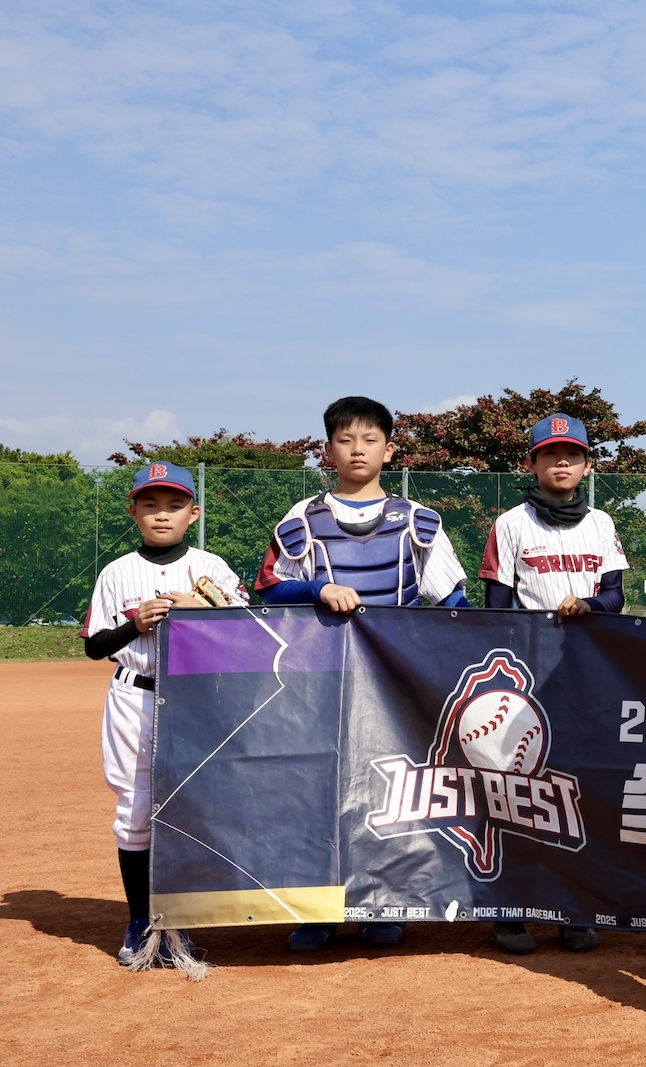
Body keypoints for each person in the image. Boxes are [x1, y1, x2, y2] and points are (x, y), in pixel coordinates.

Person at [256, 395, 469, 952]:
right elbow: (270, 588)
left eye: (370, 440)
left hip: (394, 683)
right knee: (318, 793)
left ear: (388, 450)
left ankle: (383, 903)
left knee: (390, 792)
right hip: (321, 680)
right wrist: (318, 588)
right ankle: (316, 910)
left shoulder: (419, 522)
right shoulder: (301, 520)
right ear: (328, 450)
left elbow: (453, 602)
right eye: (345, 440)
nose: (358, 450)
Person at [81, 462, 248, 978]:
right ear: (133, 512)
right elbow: (94, 647)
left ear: (192, 513)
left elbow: (248, 635)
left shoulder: (212, 567)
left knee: (190, 808)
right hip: (135, 696)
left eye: (174, 505)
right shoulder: (116, 573)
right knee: (135, 811)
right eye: (150, 505)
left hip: (197, 699)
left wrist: (200, 608)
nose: (161, 514)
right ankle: (140, 921)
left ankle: (179, 917)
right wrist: (135, 624)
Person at [479, 412, 627, 956]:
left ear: (587, 464)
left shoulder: (601, 523)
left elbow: (614, 596)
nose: (561, 461)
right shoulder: (510, 523)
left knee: (572, 789)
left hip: (582, 673)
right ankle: (511, 911)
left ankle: (571, 909)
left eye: (572, 454)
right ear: (533, 462)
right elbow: (496, 608)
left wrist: (589, 604)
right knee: (513, 790)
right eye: (550, 453)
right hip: (524, 675)